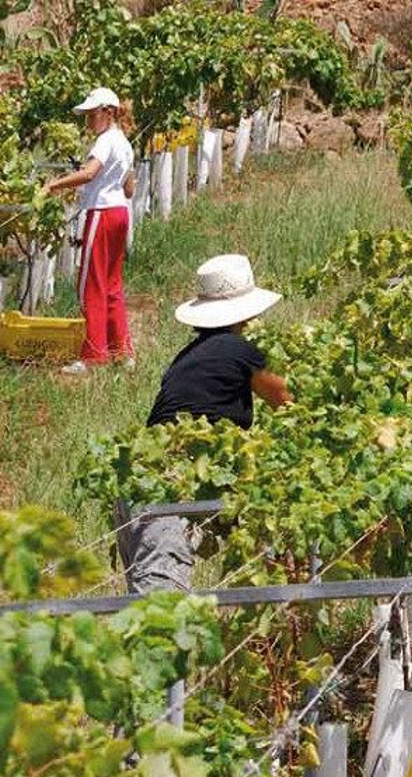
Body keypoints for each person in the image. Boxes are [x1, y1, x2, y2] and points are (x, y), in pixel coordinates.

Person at [126, 254, 292, 593]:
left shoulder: (189, 356)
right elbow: (288, 405)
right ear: (249, 313)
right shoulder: (243, 349)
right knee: (160, 605)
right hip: (169, 483)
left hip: (141, 475)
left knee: (144, 602)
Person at [45, 87, 136, 374]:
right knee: (112, 284)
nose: (88, 121)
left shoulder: (105, 141)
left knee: (90, 285)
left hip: (101, 213)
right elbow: (130, 189)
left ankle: (93, 355)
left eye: (92, 115)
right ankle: (122, 351)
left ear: (108, 112)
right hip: (120, 212)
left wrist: (54, 185)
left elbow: (89, 173)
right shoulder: (124, 143)